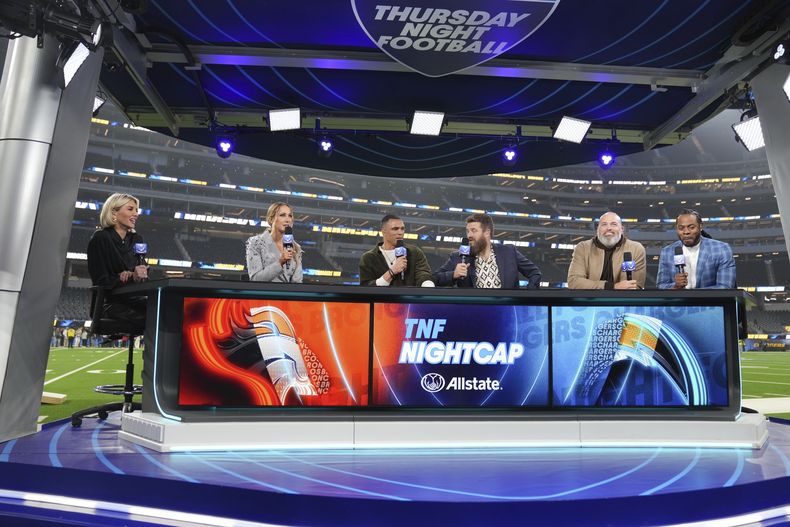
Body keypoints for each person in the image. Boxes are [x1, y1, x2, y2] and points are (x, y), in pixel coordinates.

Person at [86, 193, 148, 333]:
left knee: (166, 310)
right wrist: (127, 277)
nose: (136, 214)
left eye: (136, 210)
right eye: (130, 209)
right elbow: (101, 281)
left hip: (135, 299)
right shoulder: (100, 238)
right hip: (109, 303)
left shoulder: (137, 239)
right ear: (114, 212)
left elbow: (141, 272)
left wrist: (139, 274)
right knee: (154, 318)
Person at [434, 213, 541, 289]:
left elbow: (534, 273)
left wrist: (525, 298)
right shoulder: (459, 257)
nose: (469, 235)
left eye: (474, 231)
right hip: (476, 311)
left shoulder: (509, 252)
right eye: (467, 231)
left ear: (487, 232)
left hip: (506, 310)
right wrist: (453, 274)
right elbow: (434, 278)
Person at [657, 209, 736, 289]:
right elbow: (661, 286)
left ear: (700, 226)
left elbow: (725, 287)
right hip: (678, 297)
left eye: (691, 227)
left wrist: (693, 295)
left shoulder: (721, 249)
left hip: (711, 298)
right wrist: (675, 286)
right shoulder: (667, 252)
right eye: (681, 228)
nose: (686, 232)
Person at [567, 211, 646, 290]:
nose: (609, 228)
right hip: (590, 297)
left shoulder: (636, 249)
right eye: (604, 224)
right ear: (598, 230)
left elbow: (634, 286)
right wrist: (612, 286)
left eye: (613, 224)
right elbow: (574, 282)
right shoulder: (583, 248)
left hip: (622, 298)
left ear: (622, 229)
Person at [359, 214, 434, 287]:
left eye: (402, 229)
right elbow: (366, 287)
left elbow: (424, 275)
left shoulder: (414, 252)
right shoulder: (369, 258)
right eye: (395, 229)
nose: (400, 233)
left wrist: (429, 286)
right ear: (383, 231)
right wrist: (392, 271)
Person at [246, 202, 303, 283]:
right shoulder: (256, 243)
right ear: (271, 219)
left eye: (290, 216)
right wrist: (280, 262)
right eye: (282, 215)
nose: (287, 220)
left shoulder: (296, 247)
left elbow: (298, 282)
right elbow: (255, 279)